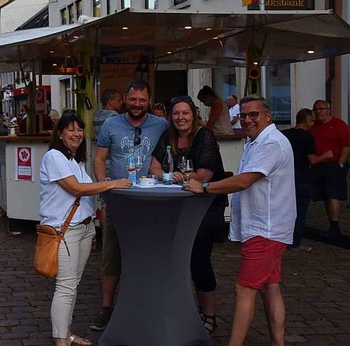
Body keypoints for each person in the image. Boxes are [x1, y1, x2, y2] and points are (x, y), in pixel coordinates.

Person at [184, 95, 296, 345]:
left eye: (253, 115)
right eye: (243, 115)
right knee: (270, 287)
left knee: (244, 289)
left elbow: (245, 181)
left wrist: (203, 187)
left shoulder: (271, 144)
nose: (247, 120)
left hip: (265, 228)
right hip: (267, 225)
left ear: (268, 116)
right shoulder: (256, 141)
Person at [40, 112, 131, 346]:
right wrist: (113, 183)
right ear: (60, 134)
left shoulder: (74, 159)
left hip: (82, 228)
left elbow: (84, 189)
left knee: (73, 284)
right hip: (64, 230)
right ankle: (61, 340)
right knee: (66, 287)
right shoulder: (54, 157)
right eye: (70, 129)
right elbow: (76, 188)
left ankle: (67, 333)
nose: (76, 134)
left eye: (79, 129)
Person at [90, 80, 168, 331]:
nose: (137, 104)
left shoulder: (160, 124)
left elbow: (179, 140)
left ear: (149, 100)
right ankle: (107, 307)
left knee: (145, 253)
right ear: (125, 99)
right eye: (133, 99)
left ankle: (143, 303)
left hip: (149, 202)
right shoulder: (112, 124)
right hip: (118, 201)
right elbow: (99, 158)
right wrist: (104, 185)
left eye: (142, 100)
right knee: (111, 254)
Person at [149, 95, 227, 335]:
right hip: (177, 207)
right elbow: (154, 166)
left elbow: (203, 175)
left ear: (193, 114)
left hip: (203, 208)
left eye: (185, 113)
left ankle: (209, 315)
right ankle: (182, 311)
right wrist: (168, 176)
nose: (180, 117)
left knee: (198, 260)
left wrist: (184, 176)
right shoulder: (169, 136)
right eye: (176, 113)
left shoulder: (204, 136)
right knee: (177, 261)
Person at [282, 108, 332, 251]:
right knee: (299, 212)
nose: (313, 124)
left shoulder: (285, 134)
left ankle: (281, 239)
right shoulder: (307, 137)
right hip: (302, 179)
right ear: (307, 121)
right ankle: (295, 242)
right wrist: (325, 155)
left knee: (285, 211)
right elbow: (312, 160)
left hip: (285, 178)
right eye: (312, 121)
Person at [310, 100, 350, 239]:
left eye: (321, 109)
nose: (318, 112)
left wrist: (340, 163)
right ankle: (332, 224)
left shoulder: (338, 124)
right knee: (324, 196)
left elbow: (347, 144)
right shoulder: (314, 127)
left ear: (328, 109)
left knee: (332, 195)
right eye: (316, 109)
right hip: (319, 165)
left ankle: (335, 226)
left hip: (334, 164)